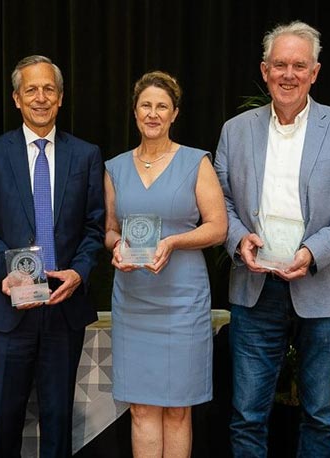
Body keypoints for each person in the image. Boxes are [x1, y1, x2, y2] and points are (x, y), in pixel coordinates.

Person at [214, 21, 330, 457]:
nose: (289, 74)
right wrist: (238, 239)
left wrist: (312, 252)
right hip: (255, 287)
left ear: (315, 72)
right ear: (265, 70)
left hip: (323, 287)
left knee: (320, 414)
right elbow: (220, 201)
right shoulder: (235, 130)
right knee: (247, 415)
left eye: (299, 66)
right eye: (280, 64)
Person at [0, 55, 105, 458]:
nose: (40, 97)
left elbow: (95, 228)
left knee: (58, 422)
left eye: (49, 89)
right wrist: (7, 272)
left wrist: (79, 273)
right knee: (6, 422)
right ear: (16, 98)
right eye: (31, 89)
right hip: (9, 310)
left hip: (65, 308)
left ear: (60, 97)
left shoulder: (86, 155)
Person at [104, 71, 227, 457]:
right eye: (146, 105)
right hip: (133, 302)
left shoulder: (195, 162)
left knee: (177, 409)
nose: (153, 113)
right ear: (134, 112)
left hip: (182, 302)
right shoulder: (114, 167)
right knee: (141, 408)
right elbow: (108, 229)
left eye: (162, 106)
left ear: (174, 114)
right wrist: (117, 245)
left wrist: (173, 242)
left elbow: (218, 227)